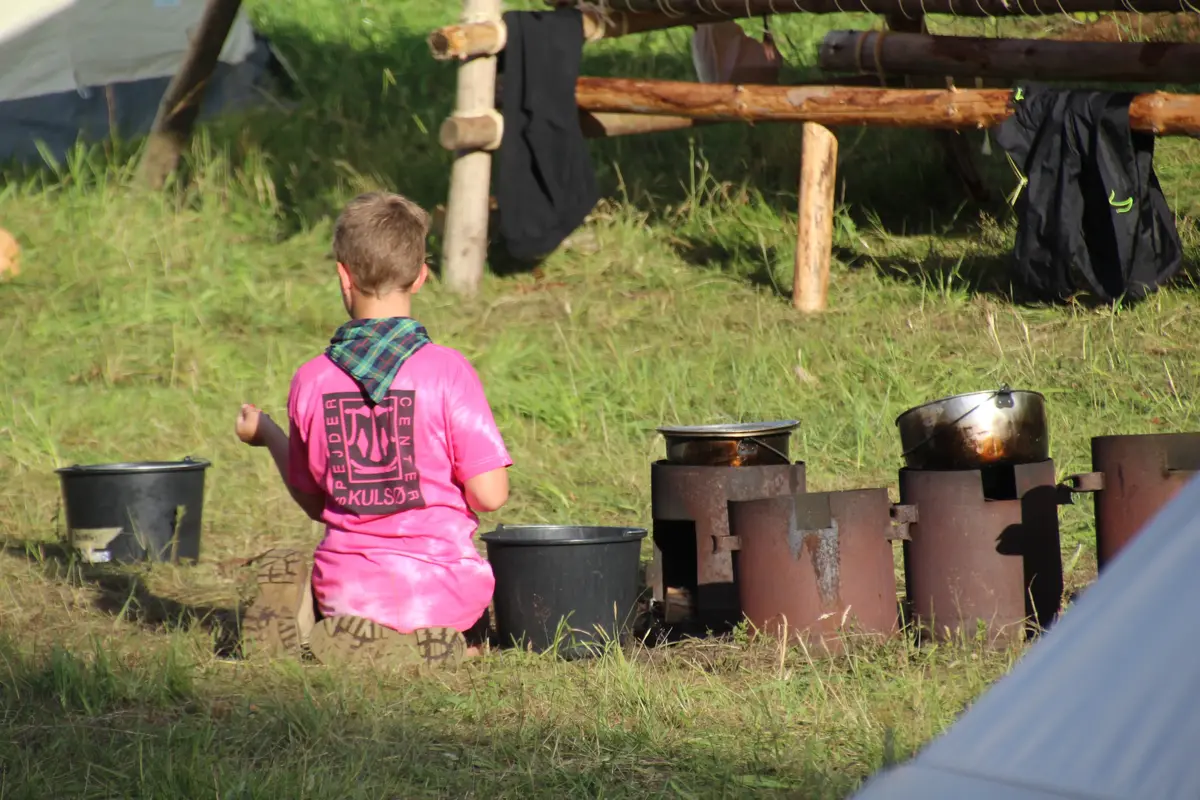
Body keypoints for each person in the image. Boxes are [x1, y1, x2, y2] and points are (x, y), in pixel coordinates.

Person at [234, 191, 511, 668]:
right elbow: (489, 495)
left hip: (349, 590)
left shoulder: (312, 378)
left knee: (332, 584)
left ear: (343, 275)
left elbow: (315, 501)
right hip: (443, 592)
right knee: (457, 621)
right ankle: (436, 644)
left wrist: (270, 435)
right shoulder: (448, 371)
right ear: (422, 276)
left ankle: (309, 619)